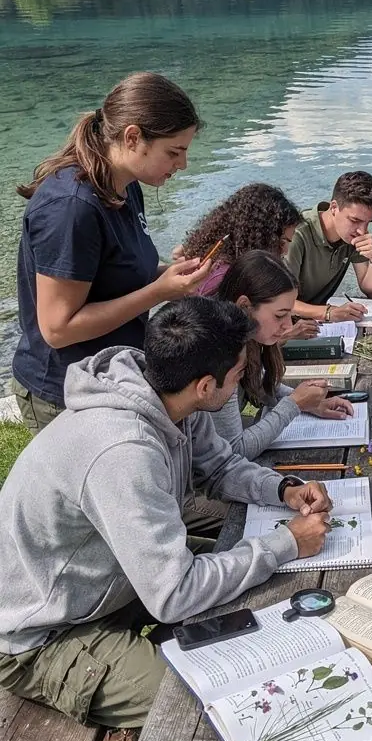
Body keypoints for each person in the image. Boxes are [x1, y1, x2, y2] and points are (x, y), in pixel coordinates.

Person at [0, 297, 332, 741]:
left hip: (110, 580)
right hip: (41, 633)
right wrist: (286, 542)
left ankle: (144, 672)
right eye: (237, 375)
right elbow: (174, 594)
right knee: (211, 697)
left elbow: (219, 466)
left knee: (253, 580)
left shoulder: (165, 394)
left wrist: (283, 490)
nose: (241, 381)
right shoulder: (123, 453)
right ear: (204, 385)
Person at [12, 73, 212, 433]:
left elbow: (112, 274)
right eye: (174, 152)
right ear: (133, 137)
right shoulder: (70, 208)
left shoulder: (125, 186)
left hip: (110, 376)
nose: (182, 165)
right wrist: (158, 292)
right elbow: (58, 329)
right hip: (63, 390)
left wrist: (168, 274)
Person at [212, 251, 354, 460]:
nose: (288, 325)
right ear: (244, 306)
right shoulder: (220, 357)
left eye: (290, 314)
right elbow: (235, 450)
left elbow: (257, 380)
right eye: (280, 315)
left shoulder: (244, 339)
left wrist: (311, 404)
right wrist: (294, 404)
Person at [285, 170, 372, 322]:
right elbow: (277, 301)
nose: (362, 231)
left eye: (368, 222)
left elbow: (370, 289)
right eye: (355, 220)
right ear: (333, 207)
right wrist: (328, 313)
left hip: (315, 322)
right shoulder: (296, 234)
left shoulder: (352, 235)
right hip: (285, 325)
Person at [179, 183, 303, 297]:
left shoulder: (218, 265)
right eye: (281, 242)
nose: (285, 251)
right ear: (261, 236)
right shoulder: (226, 280)